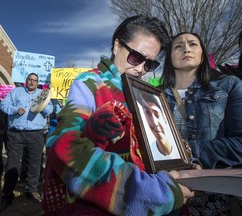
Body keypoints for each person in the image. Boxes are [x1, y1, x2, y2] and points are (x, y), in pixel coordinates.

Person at [42, 15, 195, 216]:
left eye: (149, 64)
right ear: (116, 46)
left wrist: (186, 162)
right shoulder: (91, 83)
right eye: (136, 57)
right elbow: (63, 144)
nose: (140, 69)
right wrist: (147, 192)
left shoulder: (146, 93)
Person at [160, 32, 242, 215]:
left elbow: (240, 144)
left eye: (192, 44)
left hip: (216, 200)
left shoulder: (229, 86)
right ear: (170, 57)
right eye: (178, 46)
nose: (186, 48)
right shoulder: (152, 96)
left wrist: (189, 151)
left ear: (203, 55)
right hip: (167, 196)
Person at [0, 73, 53, 214]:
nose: (32, 82)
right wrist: (15, 110)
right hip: (16, 134)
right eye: (30, 79)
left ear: (37, 82)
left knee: (34, 163)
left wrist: (42, 106)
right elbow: (3, 104)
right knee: (13, 164)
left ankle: (31, 190)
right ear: (26, 81)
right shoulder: (16, 92)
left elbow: (51, 109)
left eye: (35, 80)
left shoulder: (43, 94)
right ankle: (7, 195)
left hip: (36, 134)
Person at [138, 91, 180, 160]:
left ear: (164, 118)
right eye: (148, 113)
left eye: (157, 114)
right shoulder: (147, 155)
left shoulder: (180, 147)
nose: (154, 122)